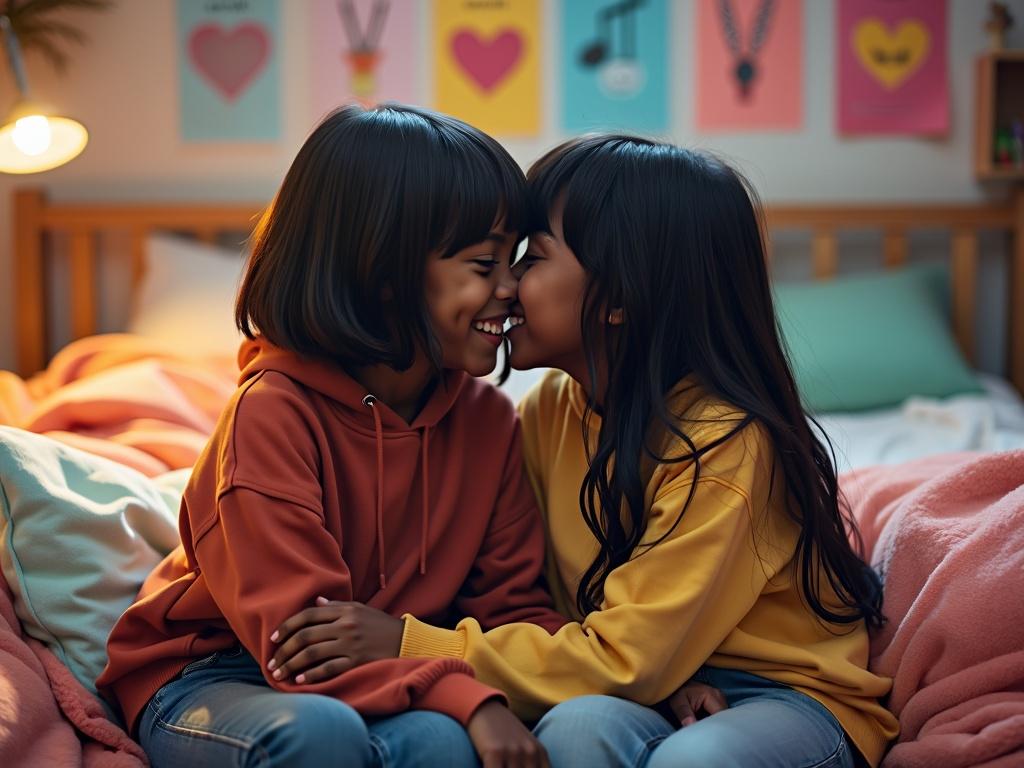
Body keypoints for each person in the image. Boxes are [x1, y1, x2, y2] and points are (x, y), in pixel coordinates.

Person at [270, 135, 901, 767]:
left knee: (695, 764)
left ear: (621, 299)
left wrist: (410, 644)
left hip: (779, 692)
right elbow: (543, 601)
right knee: (573, 732)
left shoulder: (724, 444)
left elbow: (628, 658)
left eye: (532, 259)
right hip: (646, 678)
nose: (508, 286)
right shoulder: (548, 414)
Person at [97, 103, 566, 768]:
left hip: (386, 672)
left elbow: (513, 611)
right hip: (217, 673)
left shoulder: (489, 423)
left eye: (514, 262)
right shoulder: (273, 413)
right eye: (485, 264)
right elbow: (299, 639)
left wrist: (623, 678)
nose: (513, 289)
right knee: (317, 735)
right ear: (382, 278)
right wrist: (472, 701)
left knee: (440, 745)